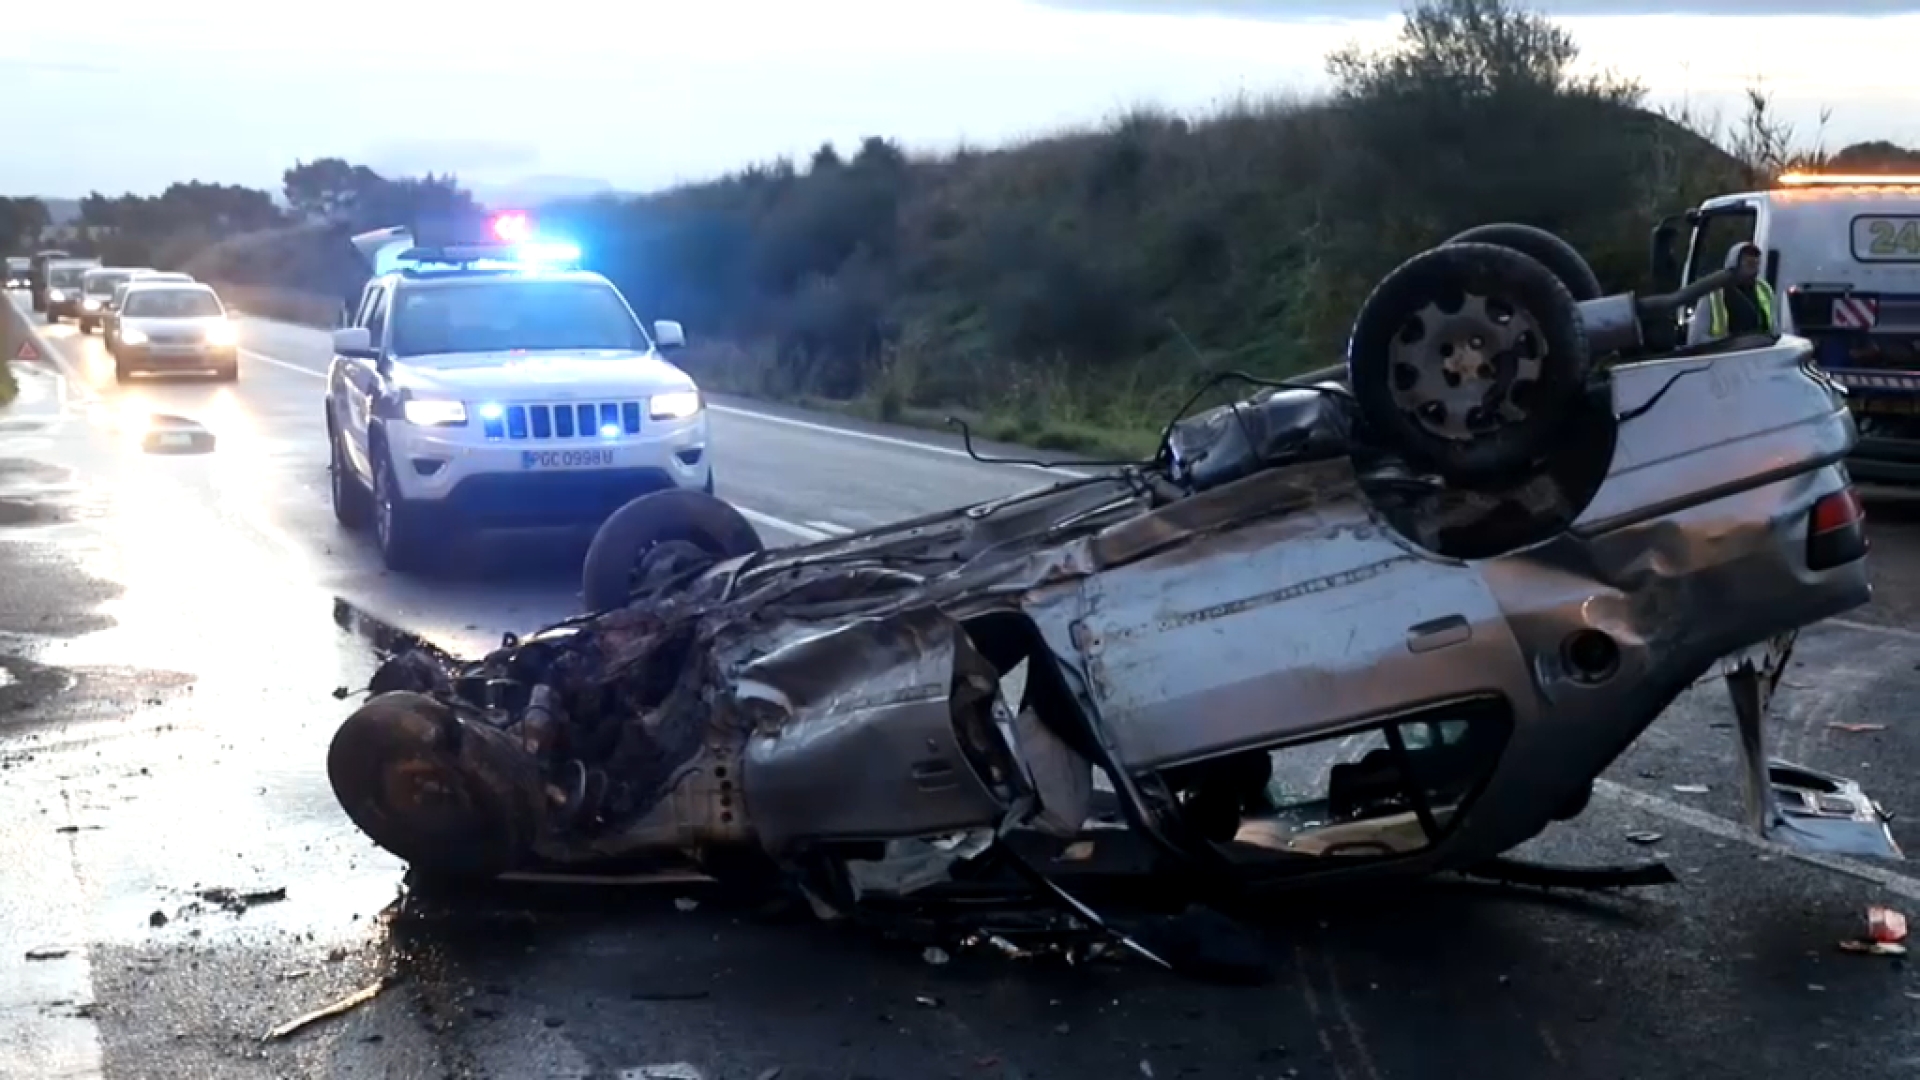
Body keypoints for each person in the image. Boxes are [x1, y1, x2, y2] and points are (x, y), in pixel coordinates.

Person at [1687, 241, 1777, 345]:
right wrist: (1734, 343)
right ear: (1734, 264)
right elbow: (1695, 340)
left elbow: (1775, 331)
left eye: (1756, 261)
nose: (1753, 264)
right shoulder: (1713, 292)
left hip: (1760, 356)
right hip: (1724, 357)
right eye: (1748, 261)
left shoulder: (1764, 289)